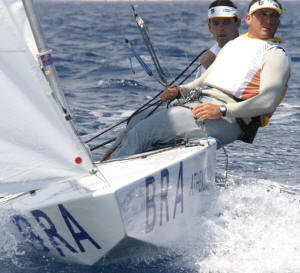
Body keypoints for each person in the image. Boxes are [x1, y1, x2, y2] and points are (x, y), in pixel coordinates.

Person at [108, 0, 290, 160]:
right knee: (135, 121)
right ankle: (104, 169)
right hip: (203, 104)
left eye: (273, 16)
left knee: (145, 131)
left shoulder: (275, 54)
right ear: (249, 19)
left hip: (229, 118)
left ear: (278, 21)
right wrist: (179, 90)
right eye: (262, 15)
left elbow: (266, 101)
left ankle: (108, 181)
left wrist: (222, 110)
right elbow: (203, 81)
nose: (268, 21)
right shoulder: (235, 44)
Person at [195, 0, 241, 78]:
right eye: (216, 23)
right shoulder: (208, 56)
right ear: (210, 27)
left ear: (237, 24)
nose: (221, 28)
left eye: (226, 22)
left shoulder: (252, 50)